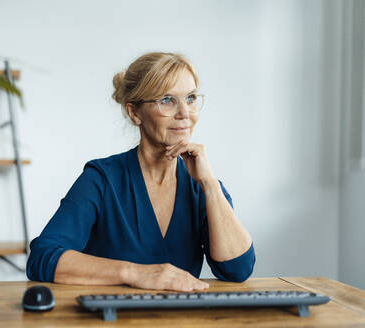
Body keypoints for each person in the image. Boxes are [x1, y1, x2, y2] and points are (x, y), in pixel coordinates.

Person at [26, 52, 255, 292]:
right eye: (167, 99)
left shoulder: (203, 186)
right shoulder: (101, 179)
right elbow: (43, 257)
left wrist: (209, 184)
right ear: (135, 113)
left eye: (191, 98)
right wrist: (135, 273)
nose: (184, 113)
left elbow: (238, 269)